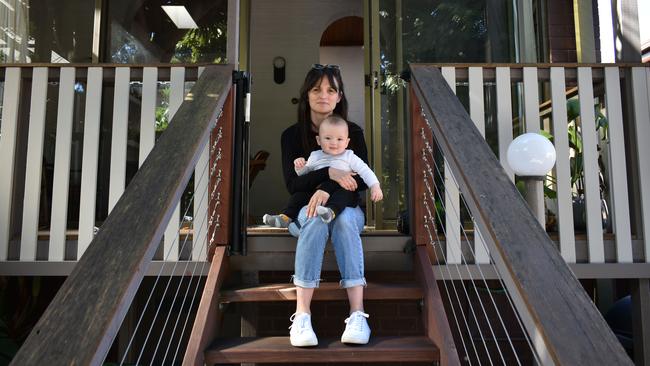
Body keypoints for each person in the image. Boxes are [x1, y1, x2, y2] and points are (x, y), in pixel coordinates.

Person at [279, 64, 372, 347]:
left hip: (347, 208)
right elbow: (294, 186)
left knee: (342, 221)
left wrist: (324, 192)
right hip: (306, 210)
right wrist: (328, 175)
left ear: (339, 96)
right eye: (316, 89)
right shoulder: (291, 136)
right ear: (306, 95)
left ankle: (358, 315)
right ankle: (302, 315)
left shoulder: (352, 131)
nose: (323, 95)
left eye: (331, 89)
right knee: (317, 218)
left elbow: (361, 181)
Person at [264, 115, 382, 227]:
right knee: (298, 196)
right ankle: (285, 218)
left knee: (343, 195)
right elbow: (305, 174)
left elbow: (365, 171)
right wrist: (300, 167)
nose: (334, 143)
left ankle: (330, 212)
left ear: (347, 142)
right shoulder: (315, 156)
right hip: (316, 193)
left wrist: (375, 186)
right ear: (318, 140)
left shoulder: (350, 156)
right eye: (327, 138)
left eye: (340, 139)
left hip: (342, 191)